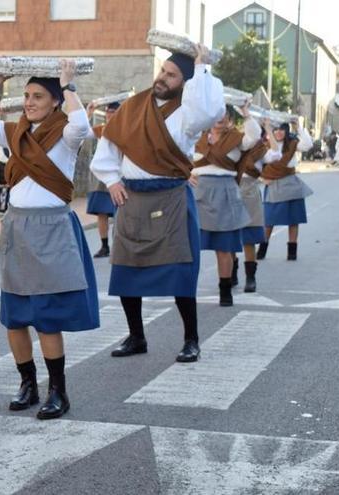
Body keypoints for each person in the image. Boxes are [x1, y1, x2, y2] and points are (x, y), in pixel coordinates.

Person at [0, 59, 100, 420]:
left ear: (54, 101)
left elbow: (82, 125)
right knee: (16, 316)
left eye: (38, 96)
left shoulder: (66, 134)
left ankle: (59, 391)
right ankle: (28, 384)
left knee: (47, 315)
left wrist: (69, 86)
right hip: (17, 228)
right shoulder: (14, 132)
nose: (29, 101)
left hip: (52, 227)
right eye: (26, 95)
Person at [90, 45, 224, 363]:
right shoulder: (133, 107)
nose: (163, 77)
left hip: (172, 197)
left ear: (185, 83)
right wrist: (111, 181)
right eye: (162, 70)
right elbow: (109, 146)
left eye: (172, 74)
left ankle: (191, 339)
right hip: (132, 197)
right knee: (125, 269)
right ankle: (136, 336)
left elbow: (208, 112)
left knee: (180, 270)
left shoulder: (189, 112)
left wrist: (202, 68)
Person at [190, 104, 260, 306]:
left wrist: (246, 115)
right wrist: (186, 173)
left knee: (224, 247)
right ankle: (187, 289)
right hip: (200, 192)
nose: (220, 118)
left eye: (225, 115)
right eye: (217, 114)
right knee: (191, 246)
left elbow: (254, 136)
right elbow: (177, 154)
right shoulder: (196, 136)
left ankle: (225, 289)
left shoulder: (237, 139)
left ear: (230, 119)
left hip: (225, 192)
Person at [256, 120, 314, 260]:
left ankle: (292, 252)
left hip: (291, 184)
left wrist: (298, 126)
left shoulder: (292, 144)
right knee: (269, 220)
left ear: (286, 131)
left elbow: (308, 145)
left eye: (282, 129)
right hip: (273, 185)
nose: (278, 132)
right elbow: (254, 165)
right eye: (275, 129)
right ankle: (262, 250)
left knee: (293, 219)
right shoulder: (264, 145)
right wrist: (262, 179)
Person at [84, 100, 120, 258]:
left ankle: (119, 244)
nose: (109, 114)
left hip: (120, 175)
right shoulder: (102, 129)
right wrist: (88, 114)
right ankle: (104, 246)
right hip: (102, 176)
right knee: (101, 212)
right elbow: (82, 132)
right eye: (108, 112)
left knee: (121, 211)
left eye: (113, 111)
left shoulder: (126, 128)